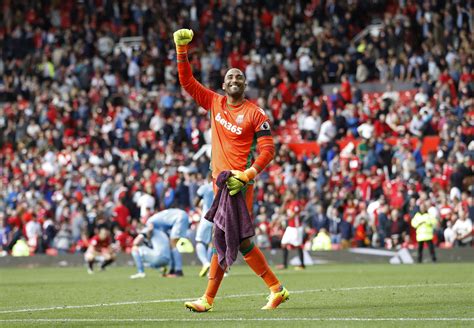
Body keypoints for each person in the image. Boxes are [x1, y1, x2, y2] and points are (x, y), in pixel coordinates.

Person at [173, 29, 288, 312]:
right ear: (224, 84)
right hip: (219, 183)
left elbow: (268, 150)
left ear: (245, 84)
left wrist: (247, 175)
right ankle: (276, 289)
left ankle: (209, 299)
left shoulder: (255, 113)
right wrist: (181, 50)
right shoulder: (214, 102)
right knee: (237, 240)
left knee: (225, 237)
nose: (234, 79)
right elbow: (187, 82)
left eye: (239, 77)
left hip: (238, 183)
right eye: (230, 77)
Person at [147, 208, 189, 277]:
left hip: (179, 218)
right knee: (171, 244)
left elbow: (150, 229)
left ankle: (178, 271)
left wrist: (148, 237)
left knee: (173, 244)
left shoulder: (149, 221)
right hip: (182, 216)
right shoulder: (157, 219)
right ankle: (172, 270)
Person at [194, 174, 215, 277]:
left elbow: (195, 202)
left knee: (199, 241)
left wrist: (200, 205)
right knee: (213, 243)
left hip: (207, 217)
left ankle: (205, 262)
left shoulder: (205, 187)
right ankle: (212, 267)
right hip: (219, 218)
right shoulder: (221, 186)